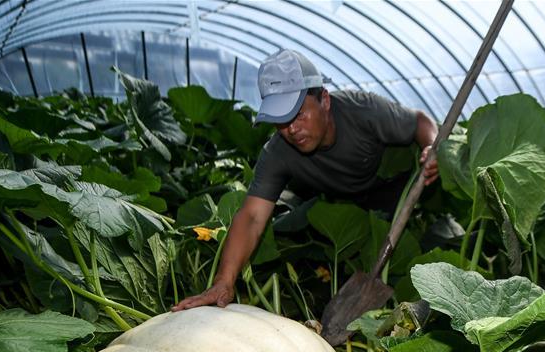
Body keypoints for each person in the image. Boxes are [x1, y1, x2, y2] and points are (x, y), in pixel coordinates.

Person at [172, 49, 439, 311]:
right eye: (280, 120)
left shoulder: (362, 109)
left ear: (324, 100)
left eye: (298, 114)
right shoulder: (277, 152)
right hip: (344, 206)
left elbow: (419, 121)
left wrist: (431, 148)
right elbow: (252, 217)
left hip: (398, 186)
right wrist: (223, 282)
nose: (291, 129)